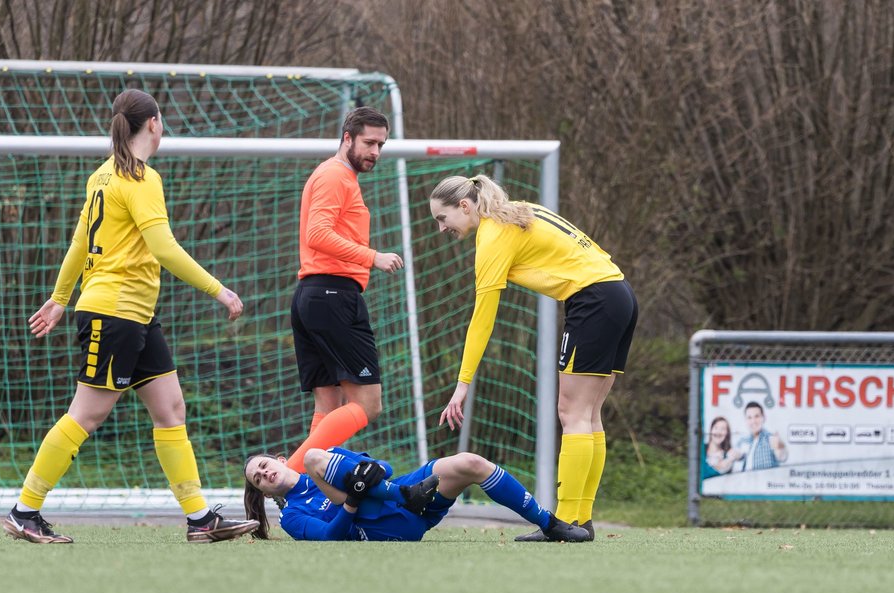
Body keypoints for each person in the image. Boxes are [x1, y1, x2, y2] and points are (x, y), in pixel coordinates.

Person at [2, 88, 257, 544]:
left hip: (137, 315)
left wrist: (61, 298)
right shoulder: (140, 178)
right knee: (86, 415)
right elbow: (163, 248)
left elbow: (81, 243)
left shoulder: (102, 176)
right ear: (154, 124)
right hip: (113, 313)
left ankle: (200, 518)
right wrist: (219, 290)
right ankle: (25, 510)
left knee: (170, 409)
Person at [428, 174, 637, 543]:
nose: (441, 228)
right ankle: (581, 521)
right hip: (619, 294)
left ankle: (566, 523)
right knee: (588, 415)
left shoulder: (493, 235)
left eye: (443, 219)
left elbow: (482, 318)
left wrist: (462, 385)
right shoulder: (521, 212)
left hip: (593, 301)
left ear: (464, 206)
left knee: (572, 414)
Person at [286, 106, 405, 473]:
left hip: (315, 297)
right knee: (368, 404)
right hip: (333, 296)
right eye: (369, 142)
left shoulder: (339, 176)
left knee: (329, 408)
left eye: (382, 145)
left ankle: (300, 488)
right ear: (347, 137)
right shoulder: (335, 176)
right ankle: (286, 475)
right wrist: (373, 257)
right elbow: (317, 234)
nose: (376, 152)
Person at [242, 447, 592, 542]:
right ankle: (403, 497)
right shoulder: (291, 516)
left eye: (263, 466)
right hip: (390, 525)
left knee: (470, 463)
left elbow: (382, 468)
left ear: (279, 460)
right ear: (264, 490)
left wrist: (371, 477)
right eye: (258, 479)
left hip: (413, 493)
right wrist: (351, 500)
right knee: (316, 456)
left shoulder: (330, 456)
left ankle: (550, 524)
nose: (264, 474)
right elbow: (331, 536)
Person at [735, 402, 788, 471]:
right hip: (745, 480)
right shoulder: (743, 440)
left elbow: (782, 457)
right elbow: (737, 456)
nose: (753, 421)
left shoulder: (770, 438)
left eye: (756, 416)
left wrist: (779, 447)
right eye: (749, 417)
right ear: (746, 420)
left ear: (763, 418)